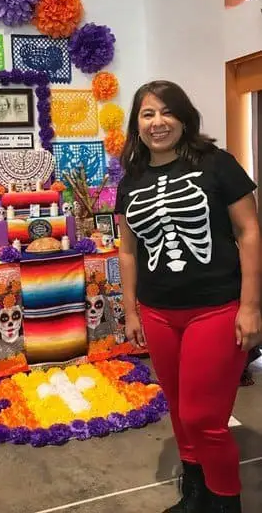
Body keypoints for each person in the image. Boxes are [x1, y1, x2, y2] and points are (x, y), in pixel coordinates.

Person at [115, 81, 261, 513]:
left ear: (183, 117)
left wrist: (251, 306)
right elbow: (127, 250)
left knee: (203, 417)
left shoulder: (218, 165)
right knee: (179, 410)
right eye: (147, 114)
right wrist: (131, 310)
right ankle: (195, 493)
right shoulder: (132, 180)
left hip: (215, 307)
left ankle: (225, 502)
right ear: (136, 124)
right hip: (159, 312)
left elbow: (250, 232)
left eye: (166, 112)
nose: (157, 122)